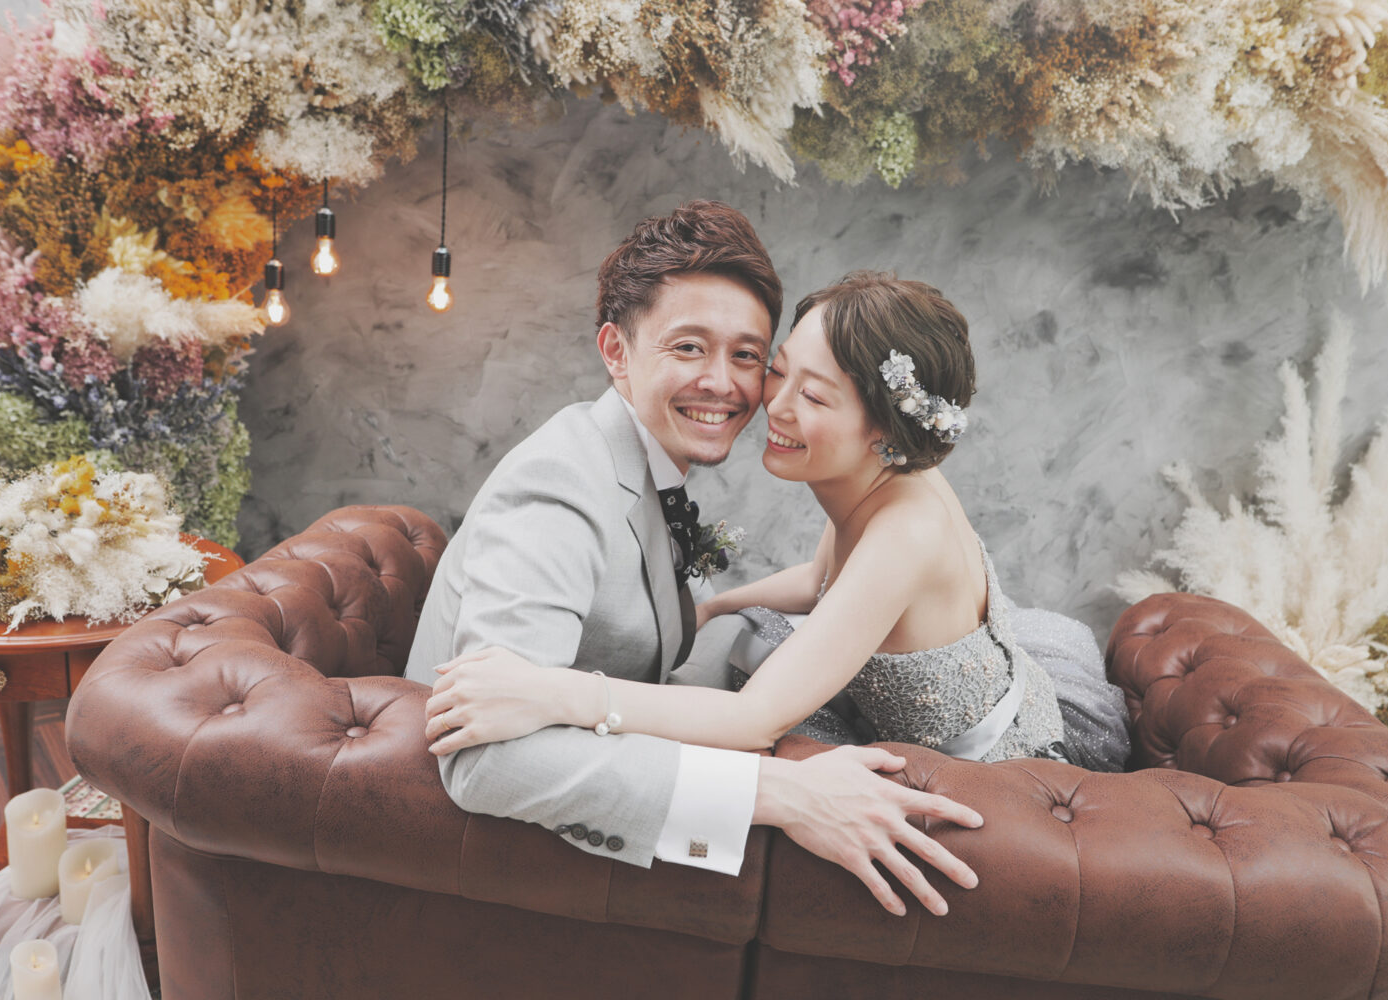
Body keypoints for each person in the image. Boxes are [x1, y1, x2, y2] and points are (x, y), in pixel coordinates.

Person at [405, 207, 985, 921]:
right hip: (478, 870)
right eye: (688, 347)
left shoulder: (644, 463)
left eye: (746, 356)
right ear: (616, 351)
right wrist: (781, 794)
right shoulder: (558, 486)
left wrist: (706, 614)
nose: (728, 385)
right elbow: (486, 762)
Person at [422, 272, 1132, 823]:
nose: (776, 405)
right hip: (932, 686)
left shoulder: (906, 529)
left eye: (814, 398)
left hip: (983, 762)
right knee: (735, 637)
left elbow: (751, 720)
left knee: (743, 687)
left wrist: (554, 692)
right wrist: (718, 603)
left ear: (885, 431)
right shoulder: (869, 476)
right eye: (780, 370)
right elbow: (822, 578)